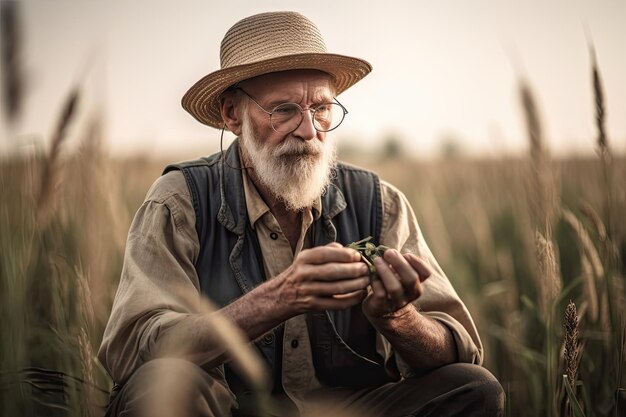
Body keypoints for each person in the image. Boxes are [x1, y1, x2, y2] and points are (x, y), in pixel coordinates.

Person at [98, 11, 504, 417]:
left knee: (474, 388)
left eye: (322, 109)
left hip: (350, 410)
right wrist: (277, 299)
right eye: (285, 110)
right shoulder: (179, 200)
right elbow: (133, 350)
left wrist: (398, 318)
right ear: (231, 115)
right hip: (233, 410)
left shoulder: (379, 202)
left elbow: (461, 349)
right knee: (160, 386)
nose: (310, 131)